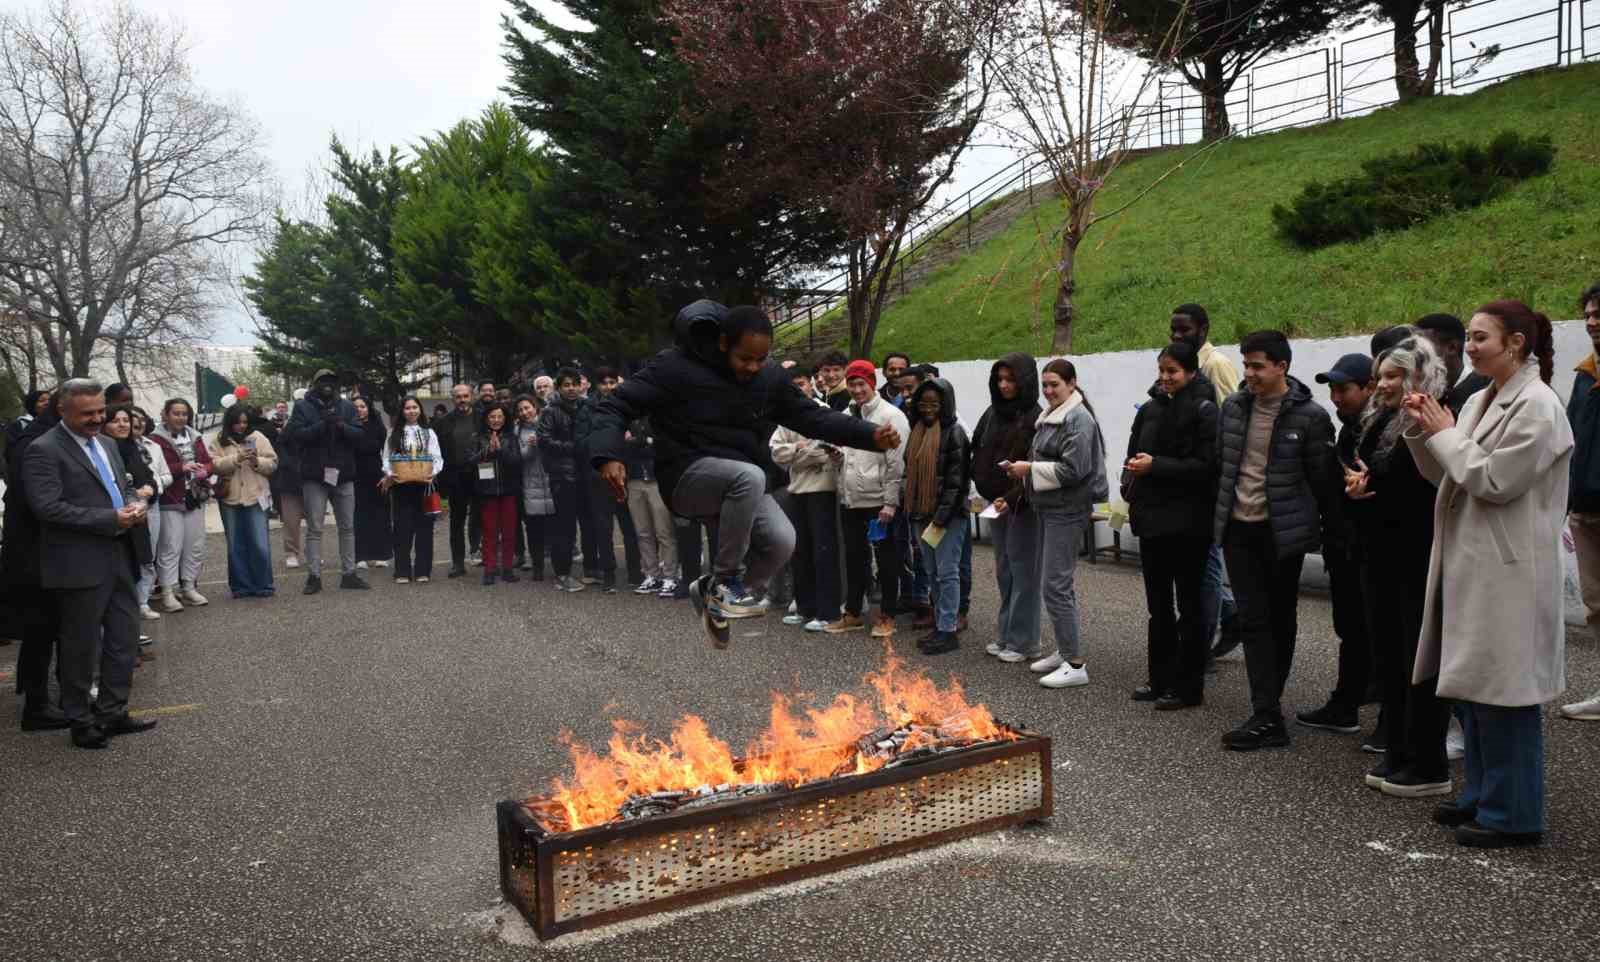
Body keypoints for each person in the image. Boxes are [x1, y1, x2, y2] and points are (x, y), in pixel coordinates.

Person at [590, 302, 898, 648]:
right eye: (744, 359)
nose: (752, 367)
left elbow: (814, 417)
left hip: (741, 480)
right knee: (750, 476)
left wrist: (869, 435)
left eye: (760, 359)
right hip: (686, 475)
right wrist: (608, 454)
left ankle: (712, 597)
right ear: (723, 344)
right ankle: (725, 583)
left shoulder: (767, 378)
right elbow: (615, 405)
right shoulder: (675, 368)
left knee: (783, 541)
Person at [1404, 300, 1572, 847]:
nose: (1469, 347)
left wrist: (1446, 434)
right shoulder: (1481, 397)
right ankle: (1481, 794)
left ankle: (1513, 814)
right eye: (1470, 338)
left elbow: (1495, 480)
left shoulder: (1539, 406)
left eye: (1480, 338)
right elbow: (1447, 474)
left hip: (1508, 571)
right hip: (1471, 563)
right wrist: (1422, 429)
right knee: (1472, 690)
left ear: (1516, 343)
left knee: (1505, 694)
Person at [1213, 331, 1338, 751]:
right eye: (1245, 365)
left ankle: (1269, 707)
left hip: (1281, 535)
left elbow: (1323, 482)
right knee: (1253, 620)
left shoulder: (1310, 417)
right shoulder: (1232, 408)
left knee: (1280, 619)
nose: (1248, 374)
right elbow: (1223, 467)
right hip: (1238, 529)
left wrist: (1326, 535)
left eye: (1257, 366)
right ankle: (1266, 712)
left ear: (1281, 366)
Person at [1339, 336, 1452, 798]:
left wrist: (1372, 487)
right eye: (1381, 375)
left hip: (1417, 554)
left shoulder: (1431, 421)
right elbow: (1361, 467)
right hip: (1379, 552)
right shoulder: (1379, 418)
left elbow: (1430, 487)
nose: (1383, 384)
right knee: (1389, 653)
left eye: (1394, 375)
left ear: (1419, 378)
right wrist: (1357, 488)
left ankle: (1427, 760)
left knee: (1417, 659)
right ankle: (1400, 750)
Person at [22, 380, 157, 749]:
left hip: (118, 553)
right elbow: (47, 508)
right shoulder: (43, 450)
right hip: (77, 561)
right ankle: (80, 720)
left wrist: (135, 505)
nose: (98, 419)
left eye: (101, 411)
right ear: (63, 411)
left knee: (124, 640)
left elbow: (122, 486)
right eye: (88, 414)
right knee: (80, 647)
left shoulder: (109, 444)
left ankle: (114, 712)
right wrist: (111, 518)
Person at [1122, 343, 1219, 709]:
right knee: (1157, 607)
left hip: (1190, 525)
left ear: (1191, 372)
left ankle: (1189, 686)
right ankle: (1159, 677)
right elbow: (1132, 454)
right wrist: (1131, 481)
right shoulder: (1148, 409)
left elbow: (1207, 466)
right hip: (1152, 523)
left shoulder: (1205, 410)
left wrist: (1156, 466)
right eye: (1161, 370)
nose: (1165, 378)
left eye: (1173, 371)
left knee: (1190, 607)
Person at [1005, 359, 1109, 689]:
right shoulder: (1052, 415)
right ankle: (1066, 651)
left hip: (1067, 510)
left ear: (1072, 383)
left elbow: (1072, 471)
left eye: (1055, 385)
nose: (1049, 391)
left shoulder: (1078, 419)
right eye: (1046, 385)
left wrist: (1028, 470)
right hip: (1051, 508)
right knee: (1058, 585)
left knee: (1055, 585)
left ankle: (1075, 663)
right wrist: (1027, 470)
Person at [1294, 353, 1377, 738]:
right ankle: (1346, 704)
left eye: (1344, 389)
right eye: (1333, 389)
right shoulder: (1347, 430)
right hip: (1343, 547)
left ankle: (1390, 725)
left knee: (1379, 633)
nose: (1337, 397)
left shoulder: (1378, 430)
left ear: (1370, 388)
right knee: (1351, 628)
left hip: (1371, 550)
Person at [1170, 304, 1241, 662]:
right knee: (1201, 564)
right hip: (1185, 478)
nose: (1179, 336)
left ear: (1203, 328)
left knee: (1209, 564)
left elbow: (1231, 416)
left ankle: (1203, 644)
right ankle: (1228, 616)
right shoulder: (1180, 365)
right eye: (1174, 331)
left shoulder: (1216, 364)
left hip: (1208, 476)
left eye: (1185, 330)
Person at [831, 359, 911, 638]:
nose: (856, 389)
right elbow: (847, 452)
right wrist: (837, 457)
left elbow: (896, 465)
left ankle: (887, 615)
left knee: (887, 560)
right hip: (851, 498)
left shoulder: (891, 416)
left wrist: (890, 503)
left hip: (879, 500)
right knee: (854, 558)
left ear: (871, 384)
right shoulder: (845, 413)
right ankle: (852, 612)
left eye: (860, 383)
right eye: (851, 383)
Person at [971, 353, 1042, 664]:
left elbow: (1036, 466)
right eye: (999, 379)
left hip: (1022, 505)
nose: (1004, 385)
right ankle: (1006, 632)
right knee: (1005, 570)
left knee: (1024, 571)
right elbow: (978, 447)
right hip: (995, 503)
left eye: (1011, 379)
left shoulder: (1036, 416)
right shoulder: (992, 413)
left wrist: (1012, 497)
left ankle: (1024, 640)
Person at [1, 394, 66, 730]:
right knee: (40, 629)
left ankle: (38, 697)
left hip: (38, 550)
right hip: (34, 553)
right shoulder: (37, 444)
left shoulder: (41, 437)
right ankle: (37, 705)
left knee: (42, 630)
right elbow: (42, 504)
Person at [770, 365, 842, 632]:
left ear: (811, 384)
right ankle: (805, 607)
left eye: (801, 384)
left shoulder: (822, 412)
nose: (798, 389)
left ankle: (828, 611)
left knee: (824, 551)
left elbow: (825, 451)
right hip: (796, 489)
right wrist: (800, 450)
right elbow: (776, 453)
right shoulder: (786, 416)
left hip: (822, 488)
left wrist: (797, 454)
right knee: (799, 551)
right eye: (793, 386)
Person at [286, 369, 368, 594]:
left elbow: (359, 435)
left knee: (348, 527)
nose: (327, 385)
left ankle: (349, 574)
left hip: (344, 475)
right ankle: (314, 576)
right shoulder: (303, 407)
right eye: (322, 381)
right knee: (315, 528)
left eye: (332, 381)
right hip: (314, 475)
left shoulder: (347, 407)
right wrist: (322, 424)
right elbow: (296, 436)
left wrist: (341, 425)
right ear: (314, 384)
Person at [904, 378, 970, 655]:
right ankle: (941, 624)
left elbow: (957, 483)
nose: (928, 408)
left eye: (934, 403)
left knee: (947, 572)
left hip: (947, 517)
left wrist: (940, 519)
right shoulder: (916, 430)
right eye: (923, 403)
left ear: (945, 404)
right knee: (931, 572)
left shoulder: (955, 433)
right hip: (920, 513)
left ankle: (948, 630)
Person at [1563, 281, 1600, 722]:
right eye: (1589, 315)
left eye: (1599, 316)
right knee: (1596, 605)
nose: (1592, 322)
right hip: (1586, 508)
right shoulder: (1584, 374)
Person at [149, 397, 214, 612]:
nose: (180, 417)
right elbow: (157, 468)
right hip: (171, 498)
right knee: (170, 546)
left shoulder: (195, 436)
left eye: (184, 413)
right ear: (165, 414)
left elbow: (207, 461)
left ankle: (189, 586)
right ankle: (168, 591)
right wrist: (182, 468)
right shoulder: (155, 440)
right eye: (176, 413)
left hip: (195, 496)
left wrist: (205, 470)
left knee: (194, 545)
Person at [581, 366, 642, 592]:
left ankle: (635, 572)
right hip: (599, 474)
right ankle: (608, 574)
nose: (608, 386)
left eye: (612, 382)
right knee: (603, 528)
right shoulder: (587, 407)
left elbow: (640, 436)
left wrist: (630, 441)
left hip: (627, 472)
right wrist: (606, 443)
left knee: (631, 526)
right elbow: (581, 441)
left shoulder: (629, 405)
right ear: (597, 385)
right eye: (603, 382)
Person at [211, 405, 279, 599]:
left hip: (256, 496)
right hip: (230, 498)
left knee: (259, 542)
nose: (241, 426)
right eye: (237, 422)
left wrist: (257, 462)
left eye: (245, 422)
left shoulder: (258, 437)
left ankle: (264, 584)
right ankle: (240, 586)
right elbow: (213, 465)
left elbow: (273, 463)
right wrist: (236, 458)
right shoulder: (219, 440)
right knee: (235, 544)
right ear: (229, 421)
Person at [538, 368, 589, 594]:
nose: (571, 388)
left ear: (581, 386)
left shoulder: (586, 407)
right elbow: (544, 441)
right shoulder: (550, 411)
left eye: (574, 384)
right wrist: (574, 448)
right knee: (565, 527)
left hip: (585, 474)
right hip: (562, 475)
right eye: (566, 384)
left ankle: (592, 570)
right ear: (559, 387)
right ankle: (562, 573)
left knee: (588, 524)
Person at [381, 396, 442, 583]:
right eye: (407, 408)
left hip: (424, 485)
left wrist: (434, 472)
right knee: (402, 529)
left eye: (415, 407)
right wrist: (390, 473)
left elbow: (437, 457)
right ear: (402, 411)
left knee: (425, 528)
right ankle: (402, 571)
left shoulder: (429, 432)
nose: (412, 411)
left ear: (420, 410)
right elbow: (386, 457)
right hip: (401, 486)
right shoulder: (393, 433)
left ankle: (423, 570)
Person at [623, 410, 679, 595]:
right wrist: (644, 441)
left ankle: (670, 576)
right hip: (634, 479)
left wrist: (640, 441)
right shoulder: (624, 418)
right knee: (642, 532)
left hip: (657, 480)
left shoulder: (657, 417)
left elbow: (664, 446)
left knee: (664, 531)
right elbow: (622, 447)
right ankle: (651, 575)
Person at [128, 407, 171, 621]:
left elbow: (166, 475)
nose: (137, 424)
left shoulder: (152, 446)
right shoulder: (115, 447)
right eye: (132, 420)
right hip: (127, 507)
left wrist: (154, 487)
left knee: (148, 555)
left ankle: (143, 601)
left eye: (141, 420)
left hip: (151, 505)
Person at [472, 401, 522, 585]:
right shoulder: (478, 437)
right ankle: (490, 569)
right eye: (492, 416)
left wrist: (500, 451)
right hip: (487, 492)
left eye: (499, 416)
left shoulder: (511, 437)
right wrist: (488, 451)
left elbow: (516, 461)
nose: (496, 420)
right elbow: (471, 460)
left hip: (508, 490)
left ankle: (507, 568)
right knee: (489, 532)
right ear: (486, 419)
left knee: (509, 532)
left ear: (505, 418)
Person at [437, 383, 482, 576]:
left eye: (465, 396)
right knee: (456, 521)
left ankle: (481, 555)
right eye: (458, 397)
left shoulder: (482, 417)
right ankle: (458, 563)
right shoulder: (443, 421)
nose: (462, 400)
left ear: (472, 396)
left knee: (481, 518)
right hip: (455, 477)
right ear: (453, 399)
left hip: (480, 475)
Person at [1415, 313, 1491, 417]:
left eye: (1423, 349)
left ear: (1452, 348)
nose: (1415, 357)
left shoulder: (1482, 395)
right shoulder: (1421, 390)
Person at [513, 395, 554, 582]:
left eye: (527, 408)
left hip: (552, 481)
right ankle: (538, 567)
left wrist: (543, 442)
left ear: (535, 407)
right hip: (531, 485)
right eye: (520, 410)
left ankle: (561, 566)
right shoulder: (517, 431)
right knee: (534, 529)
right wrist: (530, 447)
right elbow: (519, 458)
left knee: (556, 529)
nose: (524, 412)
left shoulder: (548, 423)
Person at [351, 396, 390, 570]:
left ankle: (382, 554)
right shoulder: (348, 426)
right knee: (359, 516)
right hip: (354, 475)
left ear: (369, 408)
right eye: (356, 407)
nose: (359, 409)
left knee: (379, 514)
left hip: (376, 474)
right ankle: (361, 555)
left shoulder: (378, 426)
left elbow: (382, 449)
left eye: (362, 406)